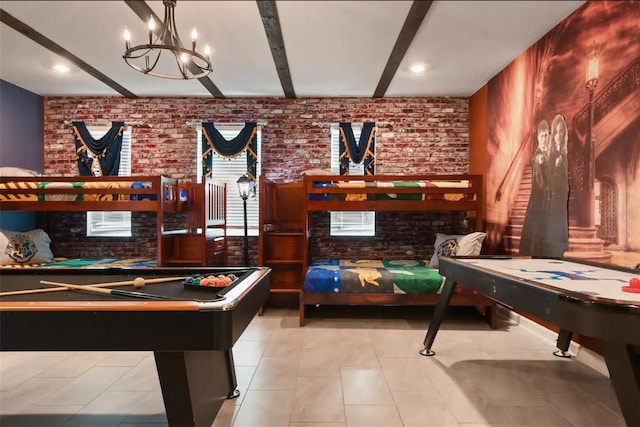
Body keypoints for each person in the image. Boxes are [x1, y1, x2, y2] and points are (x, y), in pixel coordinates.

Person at [520, 119, 551, 256]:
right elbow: (537, 160)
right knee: (533, 231)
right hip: (537, 200)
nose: (544, 138)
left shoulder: (550, 154)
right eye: (542, 136)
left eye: (546, 135)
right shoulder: (537, 155)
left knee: (542, 232)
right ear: (538, 137)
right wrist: (541, 160)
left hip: (546, 200)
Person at [547, 114, 570, 257]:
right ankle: (554, 251)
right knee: (555, 225)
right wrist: (556, 168)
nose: (559, 135)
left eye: (561, 131)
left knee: (561, 223)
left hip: (563, 194)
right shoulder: (552, 153)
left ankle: (560, 250)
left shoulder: (564, 152)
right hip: (554, 195)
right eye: (556, 132)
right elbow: (549, 179)